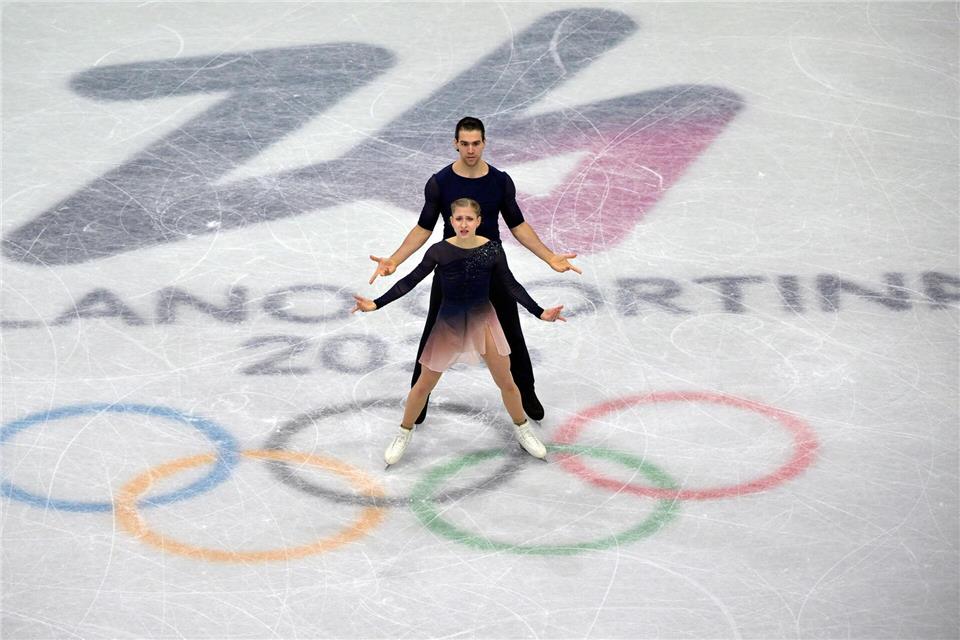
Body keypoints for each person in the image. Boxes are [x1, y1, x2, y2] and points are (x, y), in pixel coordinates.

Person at [368, 116, 580, 424]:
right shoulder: (440, 182)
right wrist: (396, 259)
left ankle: (526, 391)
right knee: (432, 334)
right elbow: (423, 228)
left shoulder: (500, 181)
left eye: (476, 143)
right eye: (464, 144)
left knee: (511, 333)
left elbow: (518, 225)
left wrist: (549, 257)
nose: (470, 150)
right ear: (455, 143)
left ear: (484, 143)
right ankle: (420, 398)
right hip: (451, 269)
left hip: (492, 268)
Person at [353, 198, 565, 466]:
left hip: (483, 322)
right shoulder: (439, 251)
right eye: (459, 219)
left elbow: (510, 284)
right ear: (451, 221)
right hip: (449, 324)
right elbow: (410, 280)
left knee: (508, 382)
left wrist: (539, 311)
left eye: (469, 219)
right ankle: (403, 433)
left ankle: (523, 429)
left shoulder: (493, 250)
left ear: (479, 221)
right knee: (422, 387)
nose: (464, 224)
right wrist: (376, 303)